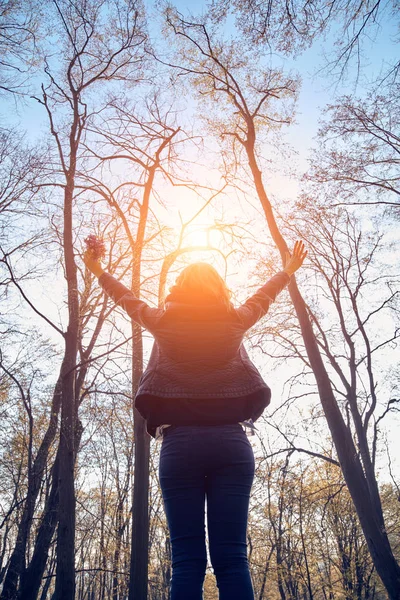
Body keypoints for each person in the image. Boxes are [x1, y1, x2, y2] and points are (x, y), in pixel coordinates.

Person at [83, 240, 307, 600]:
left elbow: (127, 300)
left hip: (180, 446)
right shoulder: (234, 320)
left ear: (179, 287)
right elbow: (261, 299)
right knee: (232, 558)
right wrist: (285, 271)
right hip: (232, 445)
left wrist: (99, 272)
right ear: (219, 288)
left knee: (187, 560)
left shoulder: (164, 320)